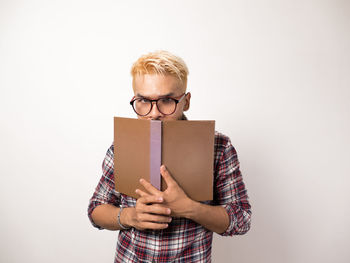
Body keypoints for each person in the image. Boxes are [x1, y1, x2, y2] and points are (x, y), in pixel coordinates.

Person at [88, 50, 251, 262]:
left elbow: (242, 219)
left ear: (186, 101)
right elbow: (95, 210)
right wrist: (130, 216)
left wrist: (191, 209)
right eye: (143, 101)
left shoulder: (217, 146)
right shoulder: (122, 144)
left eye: (166, 100)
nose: (154, 112)